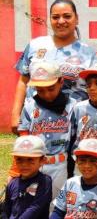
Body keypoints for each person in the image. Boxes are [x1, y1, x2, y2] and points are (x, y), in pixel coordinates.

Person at [11, 0, 97, 134]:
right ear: (50, 19)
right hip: (37, 121)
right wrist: (16, 115)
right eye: (55, 17)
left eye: (67, 16)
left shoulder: (88, 52)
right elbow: (23, 81)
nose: (61, 21)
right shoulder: (35, 45)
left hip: (72, 124)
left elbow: (96, 87)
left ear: (77, 19)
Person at [13, 61, 76, 202]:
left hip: (60, 164)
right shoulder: (30, 106)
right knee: (31, 202)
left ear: (61, 81)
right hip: (33, 164)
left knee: (56, 204)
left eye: (51, 88)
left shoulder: (72, 106)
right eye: (40, 90)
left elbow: (76, 138)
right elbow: (23, 136)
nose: (46, 94)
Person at [50, 138, 97, 219]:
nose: (87, 165)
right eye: (82, 160)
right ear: (76, 161)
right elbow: (58, 212)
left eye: (93, 161)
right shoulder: (70, 183)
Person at [4, 135, 52, 219]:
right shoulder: (12, 184)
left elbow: (35, 208)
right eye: (19, 159)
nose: (24, 164)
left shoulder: (45, 181)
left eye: (30, 159)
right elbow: (7, 209)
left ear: (42, 160)